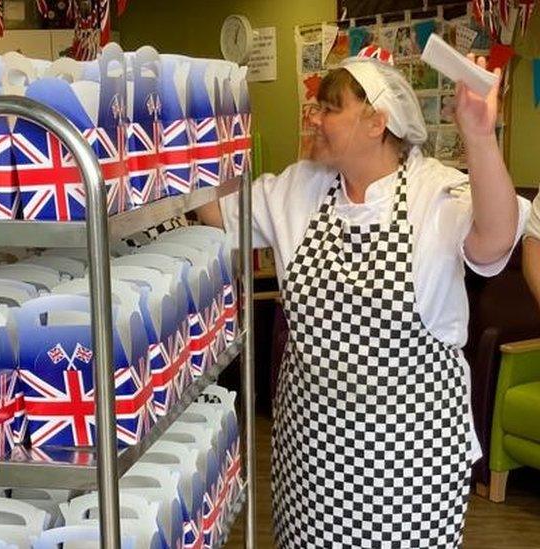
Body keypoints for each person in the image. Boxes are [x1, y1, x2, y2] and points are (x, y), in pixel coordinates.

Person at [197, 49, 528, 547]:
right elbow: (219, 215)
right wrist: (177, 134)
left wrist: (479, 136)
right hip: (310, 462)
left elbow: (496, 240)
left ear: (376, 121)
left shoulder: (433, 192)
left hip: (409, 471)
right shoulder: (299, 188)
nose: (313, 117)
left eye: (329, 108)